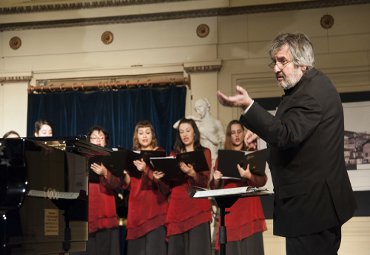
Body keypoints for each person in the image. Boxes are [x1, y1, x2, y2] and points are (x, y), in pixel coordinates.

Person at [217, 33, 356, 255]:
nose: (275, 68)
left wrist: (249, 107)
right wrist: (261, 132)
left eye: (283, 61)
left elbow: (286, 135)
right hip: (313, 208)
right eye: (274, 61)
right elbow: (298, 132)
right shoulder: (310, 86)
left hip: (312, 210)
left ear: (303, 62)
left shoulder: (310, 93)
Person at [157, 118, 213, 255]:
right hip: (177, 208)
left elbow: (204, 183)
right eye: (181, 132)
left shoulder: (205, 152)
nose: (185, 134)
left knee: (198, 250)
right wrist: (159, 179)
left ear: (195, 132)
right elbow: (167, 188)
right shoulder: (174, 155)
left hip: (198, 206)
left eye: (188, 130)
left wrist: (192, 173)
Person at [211, 120, 267, 255]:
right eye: (232, 133)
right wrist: (216, 179)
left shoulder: (252, 153)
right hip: (231, 208)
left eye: (239, 132)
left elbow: (262, 181)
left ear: (243, 133)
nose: (236, 135)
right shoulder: (222, 158)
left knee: (251, 249)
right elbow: (214, 188)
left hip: (249, 207)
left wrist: (249, 176)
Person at [117, 120, 169, 255]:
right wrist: (123, 172)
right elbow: (129, 184)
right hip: (137, 209)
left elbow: (164, 183)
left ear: (153, 135)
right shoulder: (132, 155)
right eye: (141, 133)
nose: (144, 136)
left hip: (155, 208)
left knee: (155, 250)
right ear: (136, 136)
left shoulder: (160, 152)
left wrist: (145, 169)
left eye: (147, 132)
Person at [86, 126, 120, 255]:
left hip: (105, 208)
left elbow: (117, 183)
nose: (98, 140)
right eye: (94, 138)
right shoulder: (82, 157)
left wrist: (105, 172)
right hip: (87, 210)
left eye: (101, 138)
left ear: (106, 141)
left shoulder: (112, 157)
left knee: (105, 248)